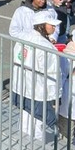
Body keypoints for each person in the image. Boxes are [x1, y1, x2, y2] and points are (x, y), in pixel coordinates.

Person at [12, 10, 61, 140]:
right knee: (38, 124)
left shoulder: (24, 38)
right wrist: (56, 95)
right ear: (42, 25)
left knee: (25, 120)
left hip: (22, 87)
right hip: (38, 91)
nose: (54, 28)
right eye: (51, 25)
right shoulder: (46, 47)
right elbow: (52, 73)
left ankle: (23, 145)